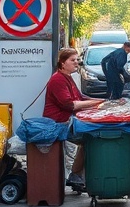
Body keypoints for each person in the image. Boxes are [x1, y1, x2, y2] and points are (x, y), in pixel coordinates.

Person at [43, 47, 105, 191]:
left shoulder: (67, 77)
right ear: (62, 63)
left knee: (90, 136)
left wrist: (101, 102)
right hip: (59, 123)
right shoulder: (58, 79)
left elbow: (80, 97)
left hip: (67, 120)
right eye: (73, 60)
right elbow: (70, 105)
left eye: (77, 59)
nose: (76, 62)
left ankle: (77, 176)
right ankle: (76, 176)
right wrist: (96, 103)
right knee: (90, 138)